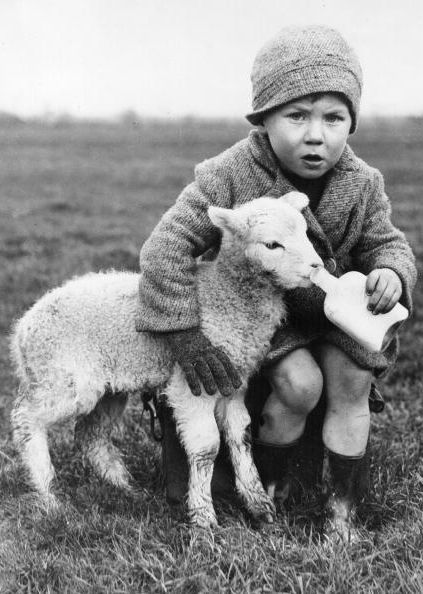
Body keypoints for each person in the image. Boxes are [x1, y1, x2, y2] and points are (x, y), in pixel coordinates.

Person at [136, 25, 416, 541]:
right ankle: (268, 488)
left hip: (336, 315)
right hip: (267, 322)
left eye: (334, 117)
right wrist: (183, 332)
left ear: (351, 122)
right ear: (263, 119)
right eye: (296, 115)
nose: (316, 134)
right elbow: (165, 248)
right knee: (299, 383)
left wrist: (391, 273)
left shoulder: (363, 183)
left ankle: (342, 508)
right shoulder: (229, 174)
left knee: (352, 379)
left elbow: (388, 243)